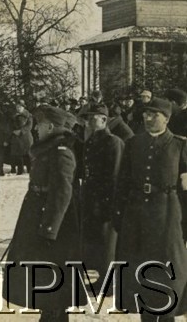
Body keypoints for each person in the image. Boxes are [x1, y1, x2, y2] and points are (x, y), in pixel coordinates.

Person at [3, 105, 82, 322]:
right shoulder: (47, 149)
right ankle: (49, 314)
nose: (36, 128)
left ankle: (54, 315)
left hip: (54, 222)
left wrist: (50, 228)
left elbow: (62, 193)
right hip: (38, 213)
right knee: (41, 271)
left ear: (50, 126)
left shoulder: (61, 153)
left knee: (53, 271)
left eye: (39, 124)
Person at [113, 97, 187, 322]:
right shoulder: (134, 143)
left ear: (167, 118)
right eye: (146, 114)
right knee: (139, 268)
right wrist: (120, 214)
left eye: (154, 114)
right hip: (137, 216)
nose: (148, 118)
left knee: (168, 269)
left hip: (167, 216)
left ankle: (167, 316)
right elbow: (122, 181)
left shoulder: (180, 144)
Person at [79, 104, 124, 291]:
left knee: (107, 242)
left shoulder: (112, 142)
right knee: (94, 238)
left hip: (106, 199)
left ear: (104, 120)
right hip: (91, 196)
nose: (89, 121)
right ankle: (99, 275)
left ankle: (109, 282)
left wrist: (108, 203)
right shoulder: (92, 140)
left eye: (94, 117)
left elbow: (115, 175)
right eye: (88, 118)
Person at [9, 101, 33, 175]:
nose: (18, 108)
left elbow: (29, 126)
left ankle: (30, 170)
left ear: (23, 107)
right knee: (19, 155)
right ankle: (20, 170)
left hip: (26, 137)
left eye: (20, 107)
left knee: (28, 154)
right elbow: (10, 125)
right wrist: (13, 131)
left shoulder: (28, 115)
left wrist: (21, 131)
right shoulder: (14, 115)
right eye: (17, 107)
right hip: (16, 137)